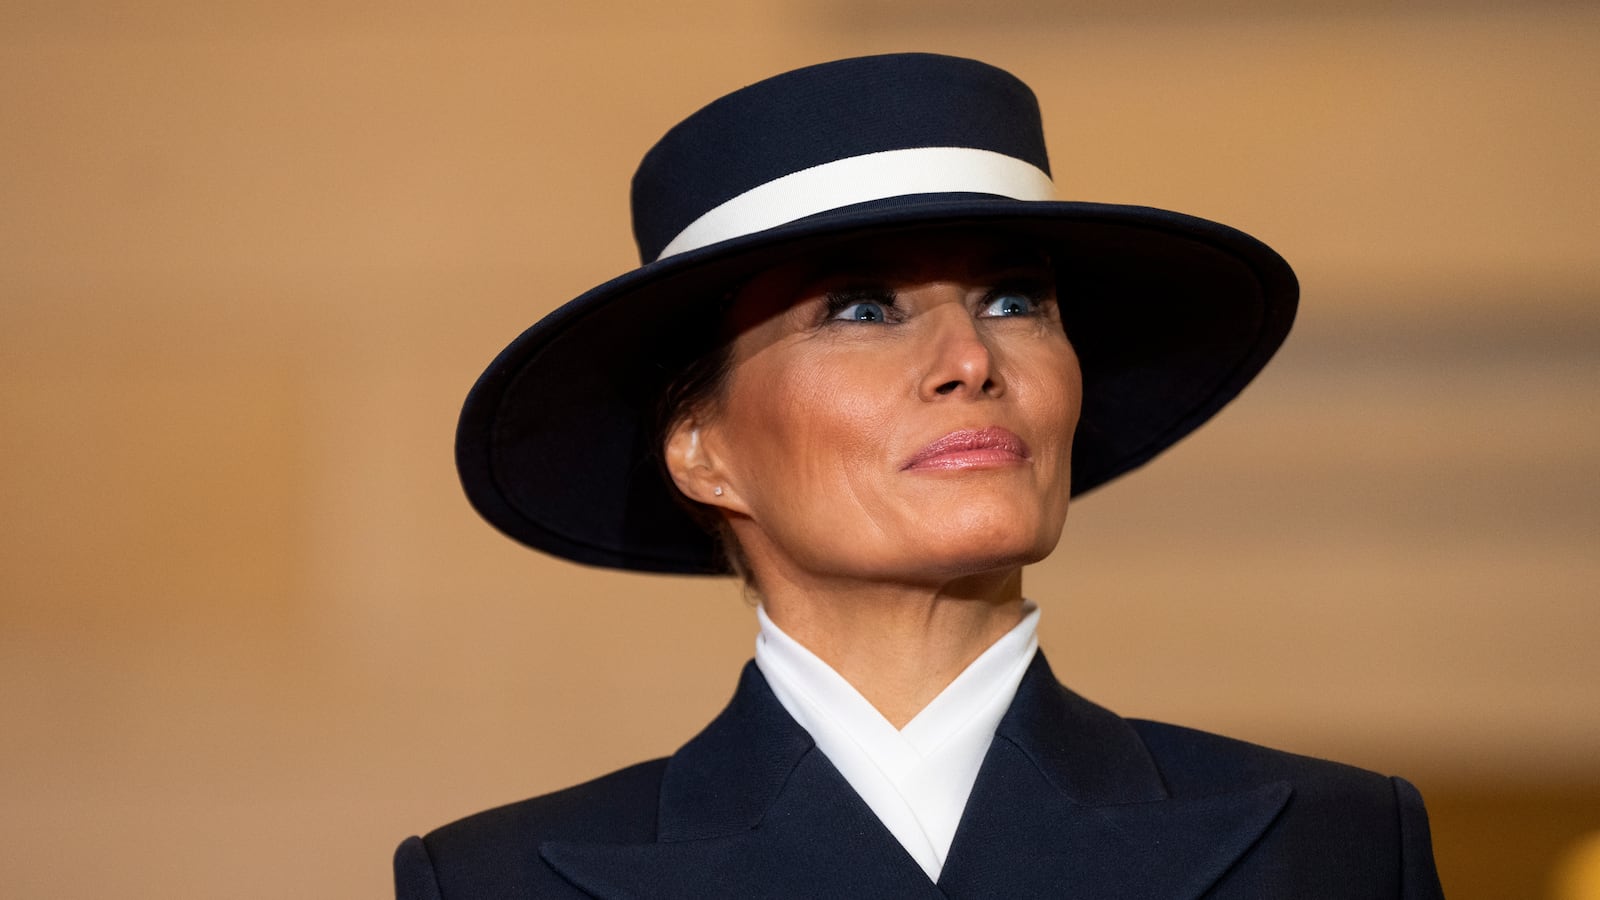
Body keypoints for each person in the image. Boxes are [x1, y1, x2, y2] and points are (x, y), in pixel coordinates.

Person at [395, 53, 1446, 898]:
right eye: (859, 309)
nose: (971, 360)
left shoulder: (1335, 848)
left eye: (1013, 301)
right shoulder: (498, 880)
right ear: (701, 448)